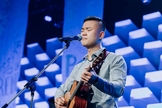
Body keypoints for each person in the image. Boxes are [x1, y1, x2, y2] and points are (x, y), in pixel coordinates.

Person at [54, 16, 127, 108]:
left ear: (101, 35)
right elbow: (62, 88)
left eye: (88, 30)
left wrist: (96, 80)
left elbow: (119, 89)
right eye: (82, 30)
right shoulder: (80, 66)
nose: (83, 33)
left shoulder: (115, 59)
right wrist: (59, 99)